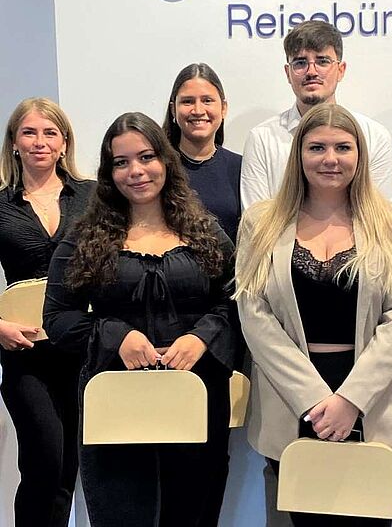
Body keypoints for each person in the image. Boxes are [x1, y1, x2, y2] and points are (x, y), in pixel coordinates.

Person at [43, 112, 236, 527]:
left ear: (166, 160)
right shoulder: (84, 237)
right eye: (121, 162)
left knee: (193, 513)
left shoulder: (206, 231)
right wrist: (114, 335)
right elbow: (57, 319)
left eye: (146, 157)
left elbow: (236, 302)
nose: (136, 171)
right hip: (115, 400)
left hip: (196, 395)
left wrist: (202, 336)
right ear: (108, 172)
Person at [235, 103, 392, 527]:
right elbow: (254, 314)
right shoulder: (261, 222)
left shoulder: (391, 221)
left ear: (360, 155)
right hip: (292, 399)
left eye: (343, 147)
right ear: (298, 154)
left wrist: (351, 399)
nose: (330, 159)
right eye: (317, 147)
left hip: (372, 400)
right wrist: (314, 399)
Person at [0, 98, 92, 527]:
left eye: (50, 133)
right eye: (29, 132)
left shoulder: (93, 196)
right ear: (14, 143)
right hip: (24, 351)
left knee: (68, 468)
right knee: (44, 462)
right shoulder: (1, 204)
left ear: (64, 142)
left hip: (81, 347)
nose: (40, 142)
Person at [240, 20, 392, 207]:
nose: (311, 72)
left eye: (322, 61)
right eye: (300, 63)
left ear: (341, 70)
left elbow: (380, 216)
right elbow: (256, 219)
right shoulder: (262, 139)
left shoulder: (375, 137)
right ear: (288, 73)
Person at [163, 62, 242, 242]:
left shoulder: (242, 168)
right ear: (173, 109)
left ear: (223, 108)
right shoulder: (159, 167)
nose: (198, 110)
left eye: (207, 100)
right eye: (187, 101)